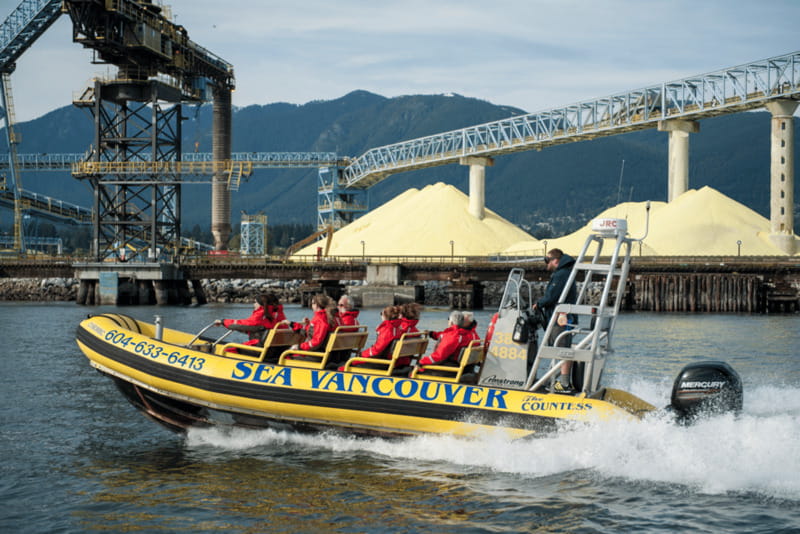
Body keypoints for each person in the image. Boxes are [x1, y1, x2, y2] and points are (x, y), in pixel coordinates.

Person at [533, 248, 578, 392]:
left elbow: (552, 296)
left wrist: (538, 304)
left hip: (561, 318)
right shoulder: (564, 273)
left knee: (562, 349)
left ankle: (564, 384)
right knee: (559, 349)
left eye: (547, 260)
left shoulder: (561, 275)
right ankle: (553, 380)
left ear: (555, 260)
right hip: (561, 317)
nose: (546, 263)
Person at [339, 305, 401, 370]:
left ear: (385, 316)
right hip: (386, 360)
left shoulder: (387, 329)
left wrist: (362, 354)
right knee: (354, 361)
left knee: (348, 364)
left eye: (381, 314)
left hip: (380, 361)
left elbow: (377, 350)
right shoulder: (397, 328)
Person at [215, 292, 286, 343]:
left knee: (229, 349)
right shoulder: (279, 315)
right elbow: (255, 328)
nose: (253, 304)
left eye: (255, 302)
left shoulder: (261, 316)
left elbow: (245, 324)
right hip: (275, 349)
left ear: (261, 305)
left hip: (259, 348)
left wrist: (223, 322)